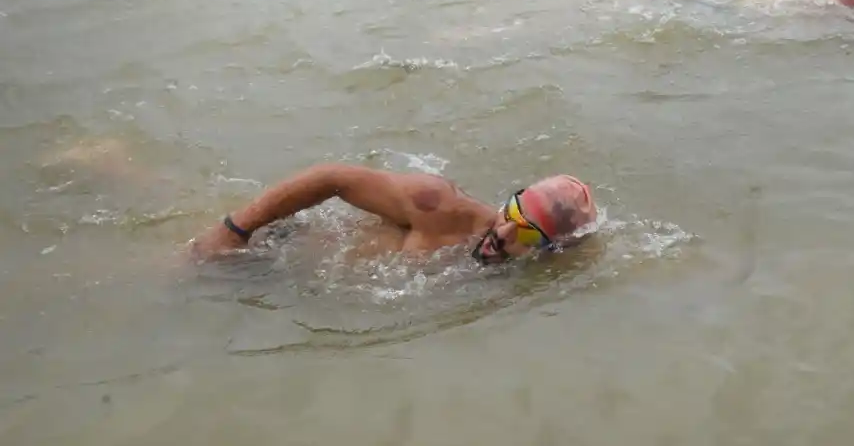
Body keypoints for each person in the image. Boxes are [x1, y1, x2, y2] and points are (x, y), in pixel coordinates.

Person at [182, 163, 599, 266]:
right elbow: (334, 177)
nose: (504, 232)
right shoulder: (438, 205)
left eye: (525, 235)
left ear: (550, 248)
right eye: (510, 211)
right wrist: (236, 229)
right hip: (265, 252)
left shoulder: (523, 273)